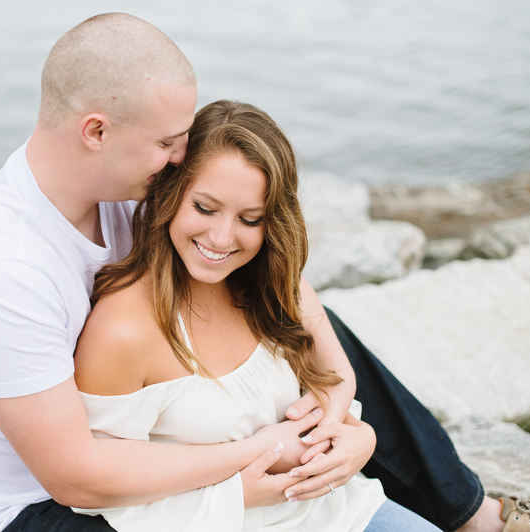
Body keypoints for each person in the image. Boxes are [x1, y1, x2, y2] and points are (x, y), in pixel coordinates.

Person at [0, 12, 530, 532]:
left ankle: (468, 511)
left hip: (136, 447)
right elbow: (78, 475)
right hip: (42, 508)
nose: (181, 157)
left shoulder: (130, 191)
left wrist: (339, 403)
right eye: (168, 142)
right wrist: (251, 461)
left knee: (295, 316)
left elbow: (289, 286)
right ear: (95, 131)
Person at [70, 99, 441, 532]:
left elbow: (334, 381)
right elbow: (103, 488)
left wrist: (360, 439)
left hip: (338, 511)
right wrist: (236, 495)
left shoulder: (275, 284)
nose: (222, 238)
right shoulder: (124, 331)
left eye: (250, 219)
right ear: (171, 195)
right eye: (205, 208)